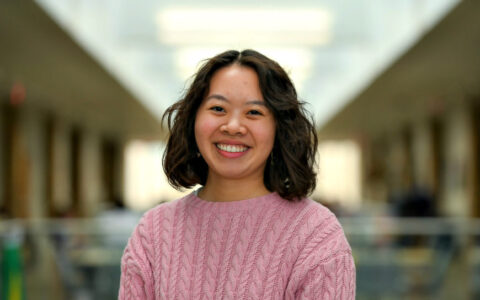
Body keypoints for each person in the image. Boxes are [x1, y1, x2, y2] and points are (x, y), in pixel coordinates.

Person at [119, 49, 356, 299]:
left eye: (254, 112)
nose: (233, 126)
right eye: (218, 108)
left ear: (279, 129)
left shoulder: (315, 234)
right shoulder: (153, 232)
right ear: (193, 120)